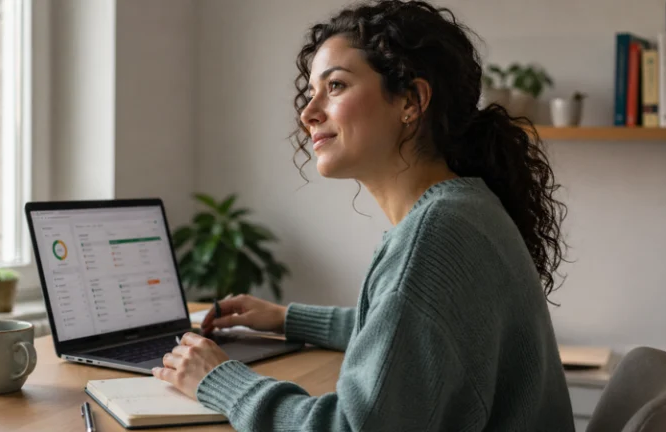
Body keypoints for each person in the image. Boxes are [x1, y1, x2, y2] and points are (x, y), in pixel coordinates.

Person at [152, 0, 575, 430]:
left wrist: (219, 380)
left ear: (411, 101)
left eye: (335, 86)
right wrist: (287, 318)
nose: (308, 112)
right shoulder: (464, 207)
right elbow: (405, 331)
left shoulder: (436, 233)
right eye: (311, 90)